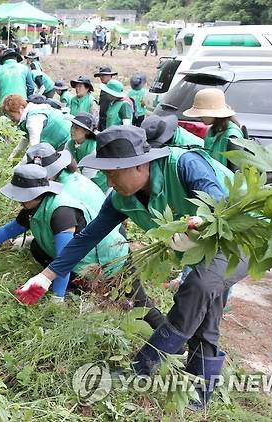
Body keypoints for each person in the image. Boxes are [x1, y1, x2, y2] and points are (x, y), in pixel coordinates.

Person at [19, 125, 244, 411]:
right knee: (206, 311)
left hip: (239, 237)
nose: (110, 183)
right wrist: (46, 275)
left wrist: (200, 226)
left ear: (139, 164)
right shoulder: (121, 199)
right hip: (201, 247)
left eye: (113, 174)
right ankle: (204, 388)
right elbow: (87, 236)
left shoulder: (185, 165)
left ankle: (142, 368)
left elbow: (220, 205)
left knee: (197, 288)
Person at [0, 162, 127, 302]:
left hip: (101, 261)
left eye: (21, 195)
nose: (18, 200)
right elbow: (10, 229)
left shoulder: (61, 213)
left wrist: (57, 297)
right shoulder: (33, 206)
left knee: (64, 268)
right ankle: (60, 281)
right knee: (36, 248)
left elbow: (65, 259)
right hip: (73, 255)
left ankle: (78, 287)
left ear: (35, 194)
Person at [183, 88, 243, 168]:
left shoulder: (232, 137)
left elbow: (238, 172)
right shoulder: (211, 130)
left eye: (202, 114)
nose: (199, 117)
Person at [2, 94, 71, 160]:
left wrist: (16, 169)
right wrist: (11, 157)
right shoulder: (29, 111)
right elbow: (25, 139)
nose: (11, 119)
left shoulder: (33, 119)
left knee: (54, 165)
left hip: (66, 139)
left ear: (21, 109)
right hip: (61, 137)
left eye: (12, 116)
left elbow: (34, 149)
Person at [65, 113, 107, 191]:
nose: (72, 130)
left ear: (87, 132)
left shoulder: (93, 148)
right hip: (80, 176)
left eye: (76, 128)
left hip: (98, 182)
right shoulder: (70, 143)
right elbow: (65, 161)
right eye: (72, 126)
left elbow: (87, 177)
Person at [94, 66, 118, 130]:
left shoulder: (114, 88)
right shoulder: (103, 88)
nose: (101, 77)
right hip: (102, 120)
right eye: (100, 75)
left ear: (110, 76)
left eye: (104, 75)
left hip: (110, 120)